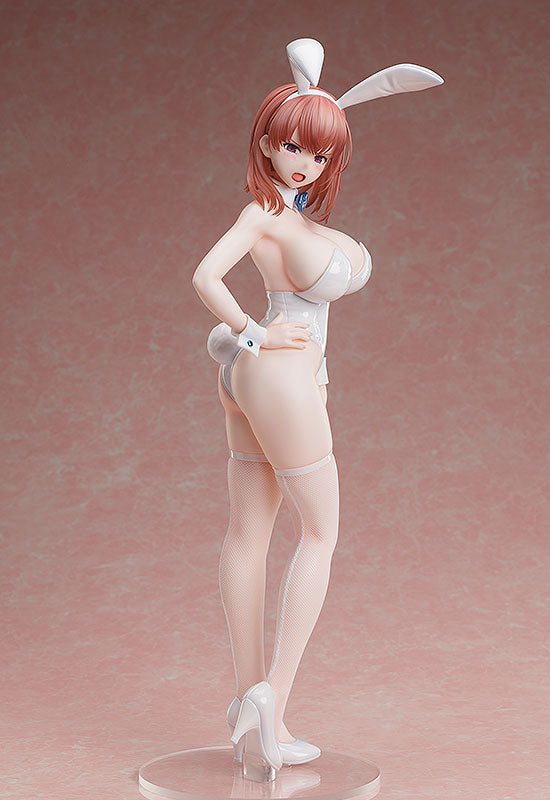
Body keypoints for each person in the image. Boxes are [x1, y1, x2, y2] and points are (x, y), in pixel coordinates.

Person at [192, 38, 443, 781]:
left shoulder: (285, 215)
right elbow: (205, 276)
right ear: (267, 141)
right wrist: (255, 331)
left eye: (319, 154)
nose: (302, 163)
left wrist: (248, 341)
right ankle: (271, 694)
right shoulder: (264, 214)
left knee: (248, 533)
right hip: (281, 375)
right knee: (320, 531)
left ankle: (253, 718)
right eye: (291, 145)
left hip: (253, 379)